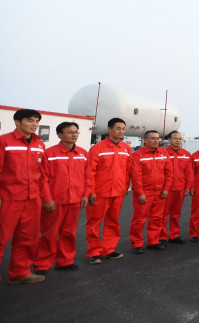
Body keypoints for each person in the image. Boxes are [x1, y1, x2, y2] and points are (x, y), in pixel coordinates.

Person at [0, 109, 52, 284]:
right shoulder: (4, 142)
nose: (35, 124)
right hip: (8, 199)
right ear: (17, 122)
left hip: (32, 200)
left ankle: (20, 272)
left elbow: (43, 175)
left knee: (27, 238)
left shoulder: (39, 145)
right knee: (1, 239)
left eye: (37, 121)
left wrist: (46, 198)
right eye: (30, 121)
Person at [35, 122, 89, 274]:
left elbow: (88, 177)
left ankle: (65, 261)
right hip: (55, 202)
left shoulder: (83, 153)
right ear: (59, 134)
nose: (74, 135)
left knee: (69, 233)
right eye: (70, 132)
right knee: (49, 234)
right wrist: (47, 199)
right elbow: (42, 179)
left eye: (76, 132)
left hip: (74, 201)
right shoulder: (50, 153)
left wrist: (85, 195)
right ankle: (42, 265)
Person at [85, 117, 132, 264]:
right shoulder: (97, 148)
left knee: (113, 222)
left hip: (118, 192)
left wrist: (125, 187)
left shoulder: (126, 148)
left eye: (123, 129)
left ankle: (109, 249)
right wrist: (91, 191)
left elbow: (127, 171)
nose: (121, 131)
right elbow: (90, 172)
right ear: (109, 129)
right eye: (118, 128)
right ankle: (94, 252)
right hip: (100, 192)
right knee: (94, 223)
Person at [129, 130, 173, 254]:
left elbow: (169, 173)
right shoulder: (138, 154)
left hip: (160, 192)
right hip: (145, 192)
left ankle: (153, 242)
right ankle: (137, 244)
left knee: (156, 218)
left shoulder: (163, 153)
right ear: (145, 140)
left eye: (157, 138)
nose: (156, 140)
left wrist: (165, 189)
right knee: (139, 220)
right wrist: (140, 193)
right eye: (153, 138)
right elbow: (136, 176)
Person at [160, 131, 194, 244]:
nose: (178, 140)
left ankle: (174, 235)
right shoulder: (163, 153)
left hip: (180, 188)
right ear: (169, 140)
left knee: (176, 214)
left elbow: (189, 173)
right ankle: (162, 237)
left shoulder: (186, 154)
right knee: (163, 214)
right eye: (175, 138)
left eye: (180, 138)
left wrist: (188, 187)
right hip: (166, 189)